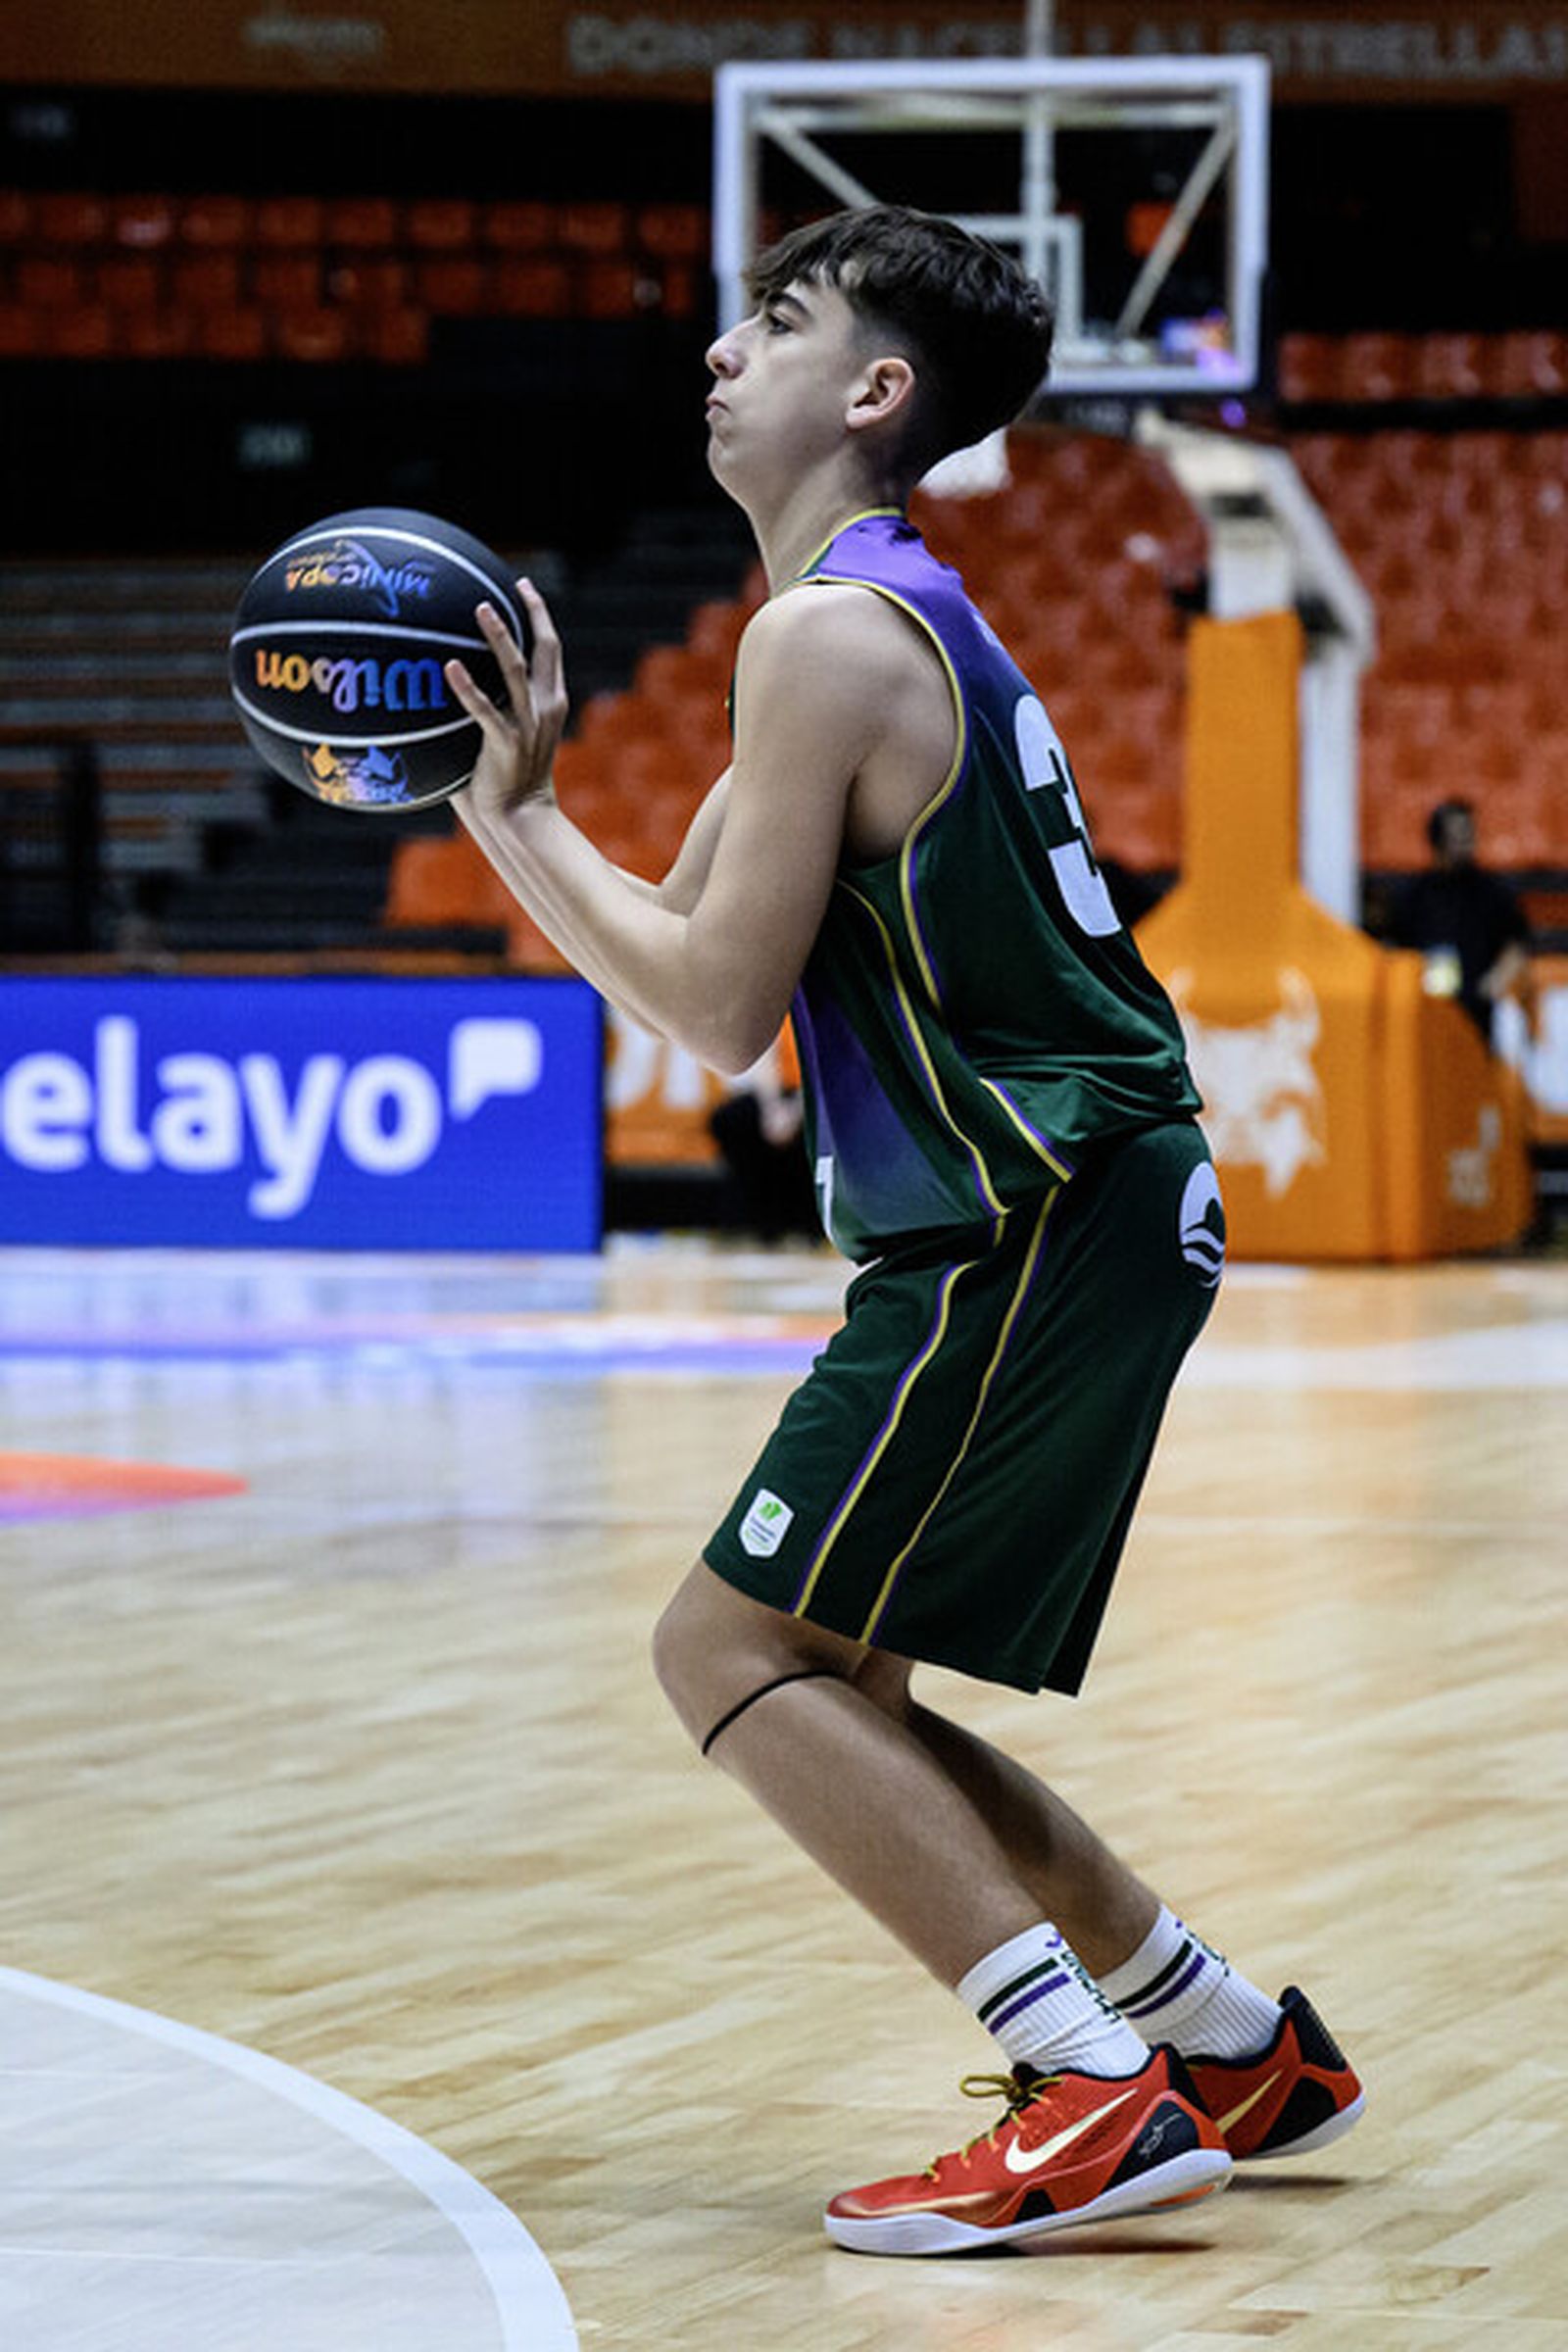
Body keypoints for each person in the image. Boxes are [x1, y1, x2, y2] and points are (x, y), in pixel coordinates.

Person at [446, 204, 1363, 2258]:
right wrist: (511, 813)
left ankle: (1083, 2092)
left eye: (771, 320)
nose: (716, 348)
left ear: (872, 392)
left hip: (1028, 1210)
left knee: (720, 1649)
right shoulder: (863, 612)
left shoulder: (827, 639)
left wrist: (506, 816)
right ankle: (1215, 2040)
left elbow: (701, 1012)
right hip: (1079, 1201)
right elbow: (690, 959)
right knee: (835, 1681)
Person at [1387, 796, 1531, 1045]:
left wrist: (1495, 982)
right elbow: (1393, 949)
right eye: (1458, 835)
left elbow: (1516, 943)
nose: (1467, 842)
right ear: (1437, 840)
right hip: (1425, 1014)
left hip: (1476, 1014)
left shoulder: (1491, 892)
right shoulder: (1414, 895)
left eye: (1469, 833)